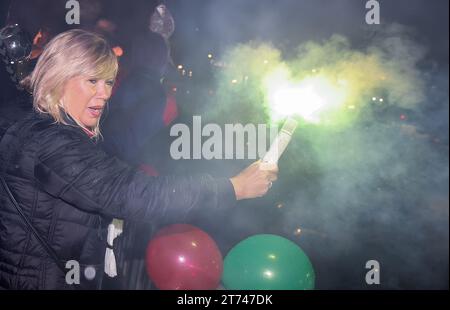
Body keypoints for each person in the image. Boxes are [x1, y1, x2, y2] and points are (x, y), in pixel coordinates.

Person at [0, 29, 278, 289]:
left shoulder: (41, 123)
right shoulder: (52, 142)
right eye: (92, 81)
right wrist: (232, 188)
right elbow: (134, 195)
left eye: (108, 81)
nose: (105, 93)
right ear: (59, 78)